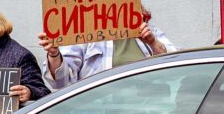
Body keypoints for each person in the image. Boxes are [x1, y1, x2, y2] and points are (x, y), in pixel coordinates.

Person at [38, 10, 175, 91]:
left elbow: (176, 64)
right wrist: (54, 53)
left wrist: (152, 42)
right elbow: (61, 82)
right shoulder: (85, 33)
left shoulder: (147, 31)